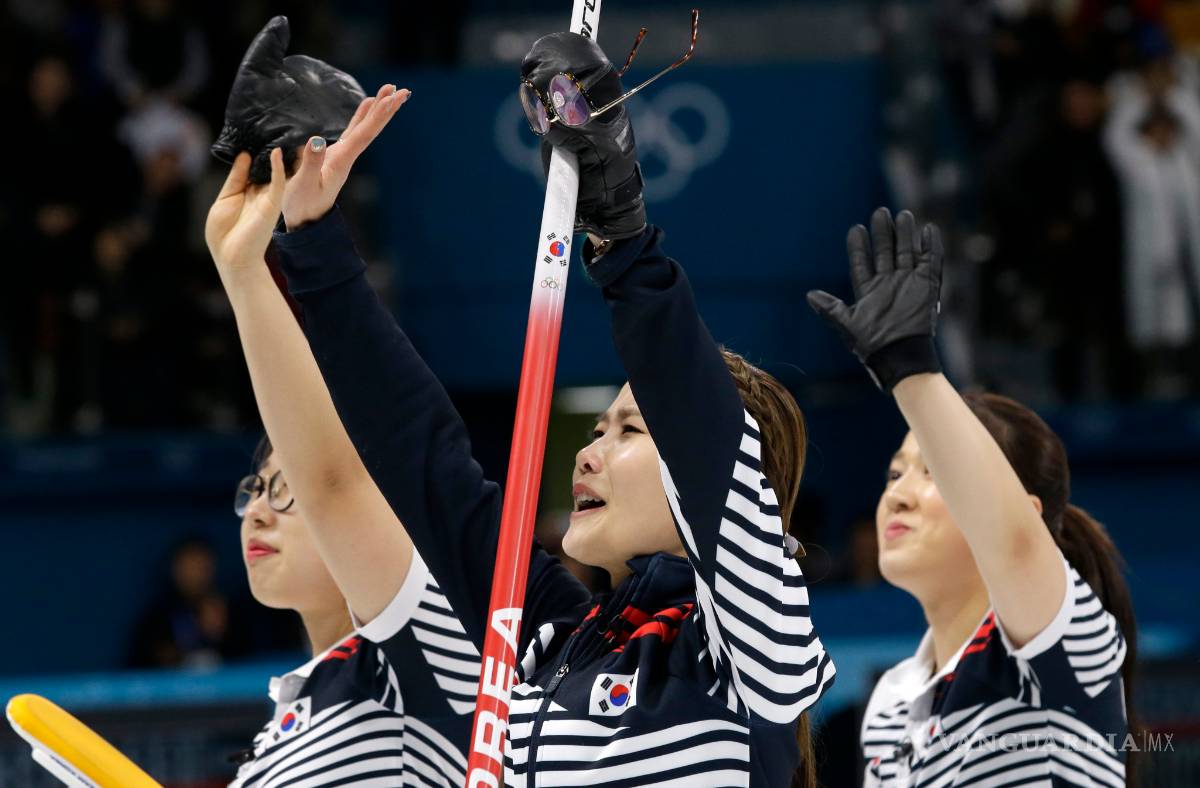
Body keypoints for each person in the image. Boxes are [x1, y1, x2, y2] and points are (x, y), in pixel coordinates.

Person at [267, 32, 835, 787]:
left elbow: (710, 447)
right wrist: (315, 246)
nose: (588, 452)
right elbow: (428, 465)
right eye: (599, 427)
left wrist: (624, 238)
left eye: (631, 428)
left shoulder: (746, 647)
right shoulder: (548, 640)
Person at [204, 88, 481, 786]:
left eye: (286, 494)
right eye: (259, 489)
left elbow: (334, 479)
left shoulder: (429, 664)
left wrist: (246, 273)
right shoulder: (294, 712)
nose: (260, 510)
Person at [808, 208, 1137, 785]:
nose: (899, 497)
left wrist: (910, 370)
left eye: (933, 473)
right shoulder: (890, 698)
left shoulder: (1071, 640)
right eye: (893, 475)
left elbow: (1012, 546)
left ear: (1029, 515)